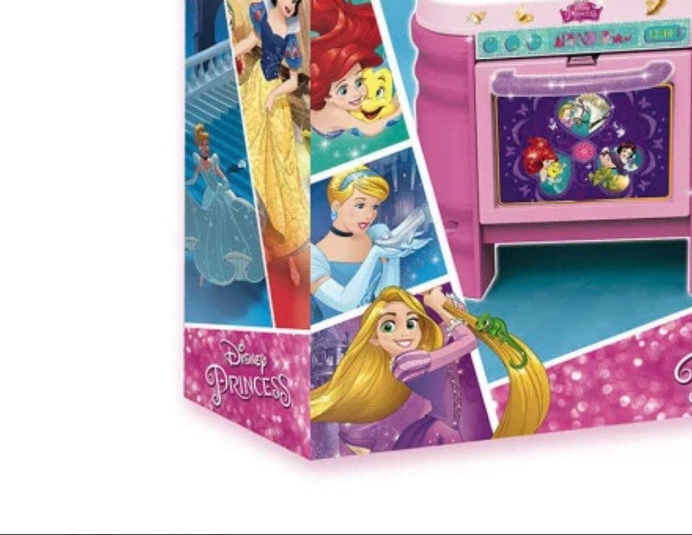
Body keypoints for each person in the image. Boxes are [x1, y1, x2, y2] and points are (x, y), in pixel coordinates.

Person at [310, 286, 549, 452]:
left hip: (438, 427)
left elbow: (448, 336)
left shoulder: (420, 356)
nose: (404, 333)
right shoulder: (406, 364)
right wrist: (441, 307)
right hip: (440, 431)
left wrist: (452, 309)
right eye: (389, 326)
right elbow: (467, 342)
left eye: (411, 323)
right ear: (374, 338)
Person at [233, 0, 308, 286]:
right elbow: (249, 43)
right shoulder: (261, 17)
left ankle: (287, 246)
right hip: (255, 89)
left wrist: (274, 94)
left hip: (274, 99)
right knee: (252, 151)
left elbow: (292, 81)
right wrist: (228, 54)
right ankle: (254, 235)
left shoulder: (290, 36)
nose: (290, 2)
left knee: (281, 166)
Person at [310, 168, 430, 321]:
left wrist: (393, 257)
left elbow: (388, 296)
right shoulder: (312, 256)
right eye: (360, 205)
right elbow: (346, 303)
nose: (370, 215)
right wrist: (374, 255)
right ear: (336, 207)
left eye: (375, 206)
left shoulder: (376, 234)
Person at [310, 0, 400, 139]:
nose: (357, 93)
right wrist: (399, 109)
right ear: (325, 95)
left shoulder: (332, 103)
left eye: (359, 81)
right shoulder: (336, 112)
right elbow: (370, 129)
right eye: (343, 89)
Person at [184, 124, 265, 287]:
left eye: (207, 144)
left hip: (222, 190)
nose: (205, 147)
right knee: (210, 225)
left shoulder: (213, 159)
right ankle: (209, 263)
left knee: (237, 211)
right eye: (202, 145)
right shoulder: (198, 162)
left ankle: (247, 253)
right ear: (199, 147)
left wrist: (225, 181)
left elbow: (219, 173)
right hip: (211, 195)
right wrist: (186, 183)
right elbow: (194, 178)